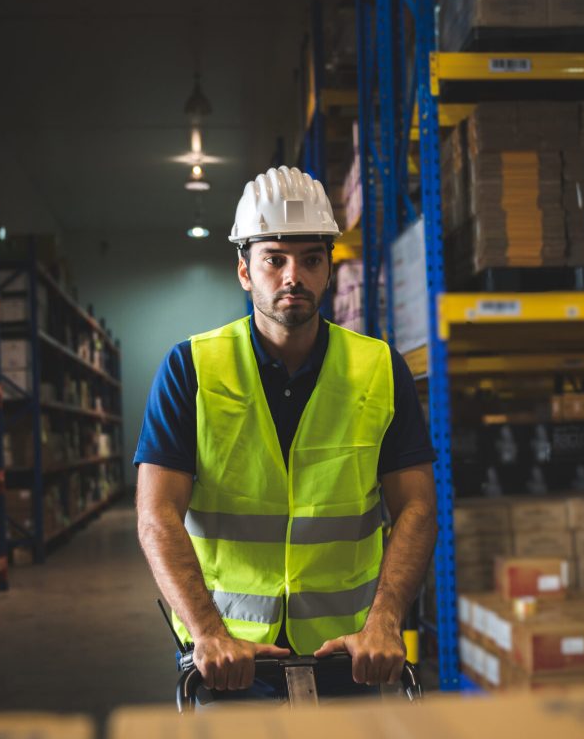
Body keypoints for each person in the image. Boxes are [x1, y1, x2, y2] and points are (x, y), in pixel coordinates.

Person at [135, 166, 436, 701]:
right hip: (229, 658)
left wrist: (386, 620)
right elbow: (156, 515)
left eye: (310, 259)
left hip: (350, 653)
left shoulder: (380, 369)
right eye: (274, 258)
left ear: (329, 270)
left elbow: (415, 507)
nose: (292, 275)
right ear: (245, 271)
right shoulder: (190, 368)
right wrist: (207, 633)